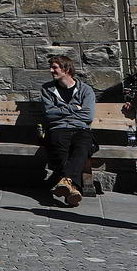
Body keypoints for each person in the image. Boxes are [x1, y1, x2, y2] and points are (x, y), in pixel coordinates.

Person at [40, 54, 95, 207]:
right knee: (61, 151)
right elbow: (49, 114)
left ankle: (66, 182)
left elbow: (88, 114)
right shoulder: (47, 89)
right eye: (51, 67)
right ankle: (74, 189)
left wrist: (60, 110)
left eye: (54, 67)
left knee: (81, 148)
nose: (51, 70)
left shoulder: (86, 90)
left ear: (66, 69)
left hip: (81, 129)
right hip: (59, 129)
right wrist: (73, 108)